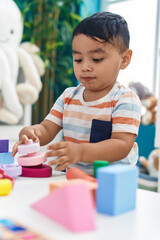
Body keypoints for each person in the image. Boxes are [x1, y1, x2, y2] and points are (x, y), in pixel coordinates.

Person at [12, 11, 141, 175]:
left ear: (124, 59)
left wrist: (80, 151)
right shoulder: (68, 97)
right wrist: (31, 133)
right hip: (74, 177)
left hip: (111, 182)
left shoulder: (124, 99)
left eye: (96, 59)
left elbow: (121, 145)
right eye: (78, 59)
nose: (85, 67)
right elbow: (46, 129)